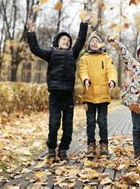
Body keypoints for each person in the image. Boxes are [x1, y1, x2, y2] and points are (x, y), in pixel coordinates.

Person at [26, 13, 92, 161]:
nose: (66, 42)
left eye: (68, 40)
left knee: (68, 126)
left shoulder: (73, 53)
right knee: (54, 123)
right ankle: (51, 148)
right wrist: (31, 33)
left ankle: (63, 149)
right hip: (55, 95)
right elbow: (35, 49)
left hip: (68, 95)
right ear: (58, 42)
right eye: (63, 40)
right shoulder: (51, 53)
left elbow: (81, 41)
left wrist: (83, 24)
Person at [108, 37, 140, 157]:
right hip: (134, 104)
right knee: (136, 129)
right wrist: (116, 42)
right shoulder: (133, 64)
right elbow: (124, 52)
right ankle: (137, 153)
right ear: (137, 55)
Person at [78, 34, 117, 157]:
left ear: (100, 44)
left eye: (97, 41)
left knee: (102, 121)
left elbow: (111, 70)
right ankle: (91, 145)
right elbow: (82, 70)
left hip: (103, 95)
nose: (94, 43)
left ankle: (104, 144)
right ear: (89, 44)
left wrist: (112, 80)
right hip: (89, 95)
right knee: (90, 122)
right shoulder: (85, 58)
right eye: (92, 41)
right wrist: (85, 79)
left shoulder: (106, 57)